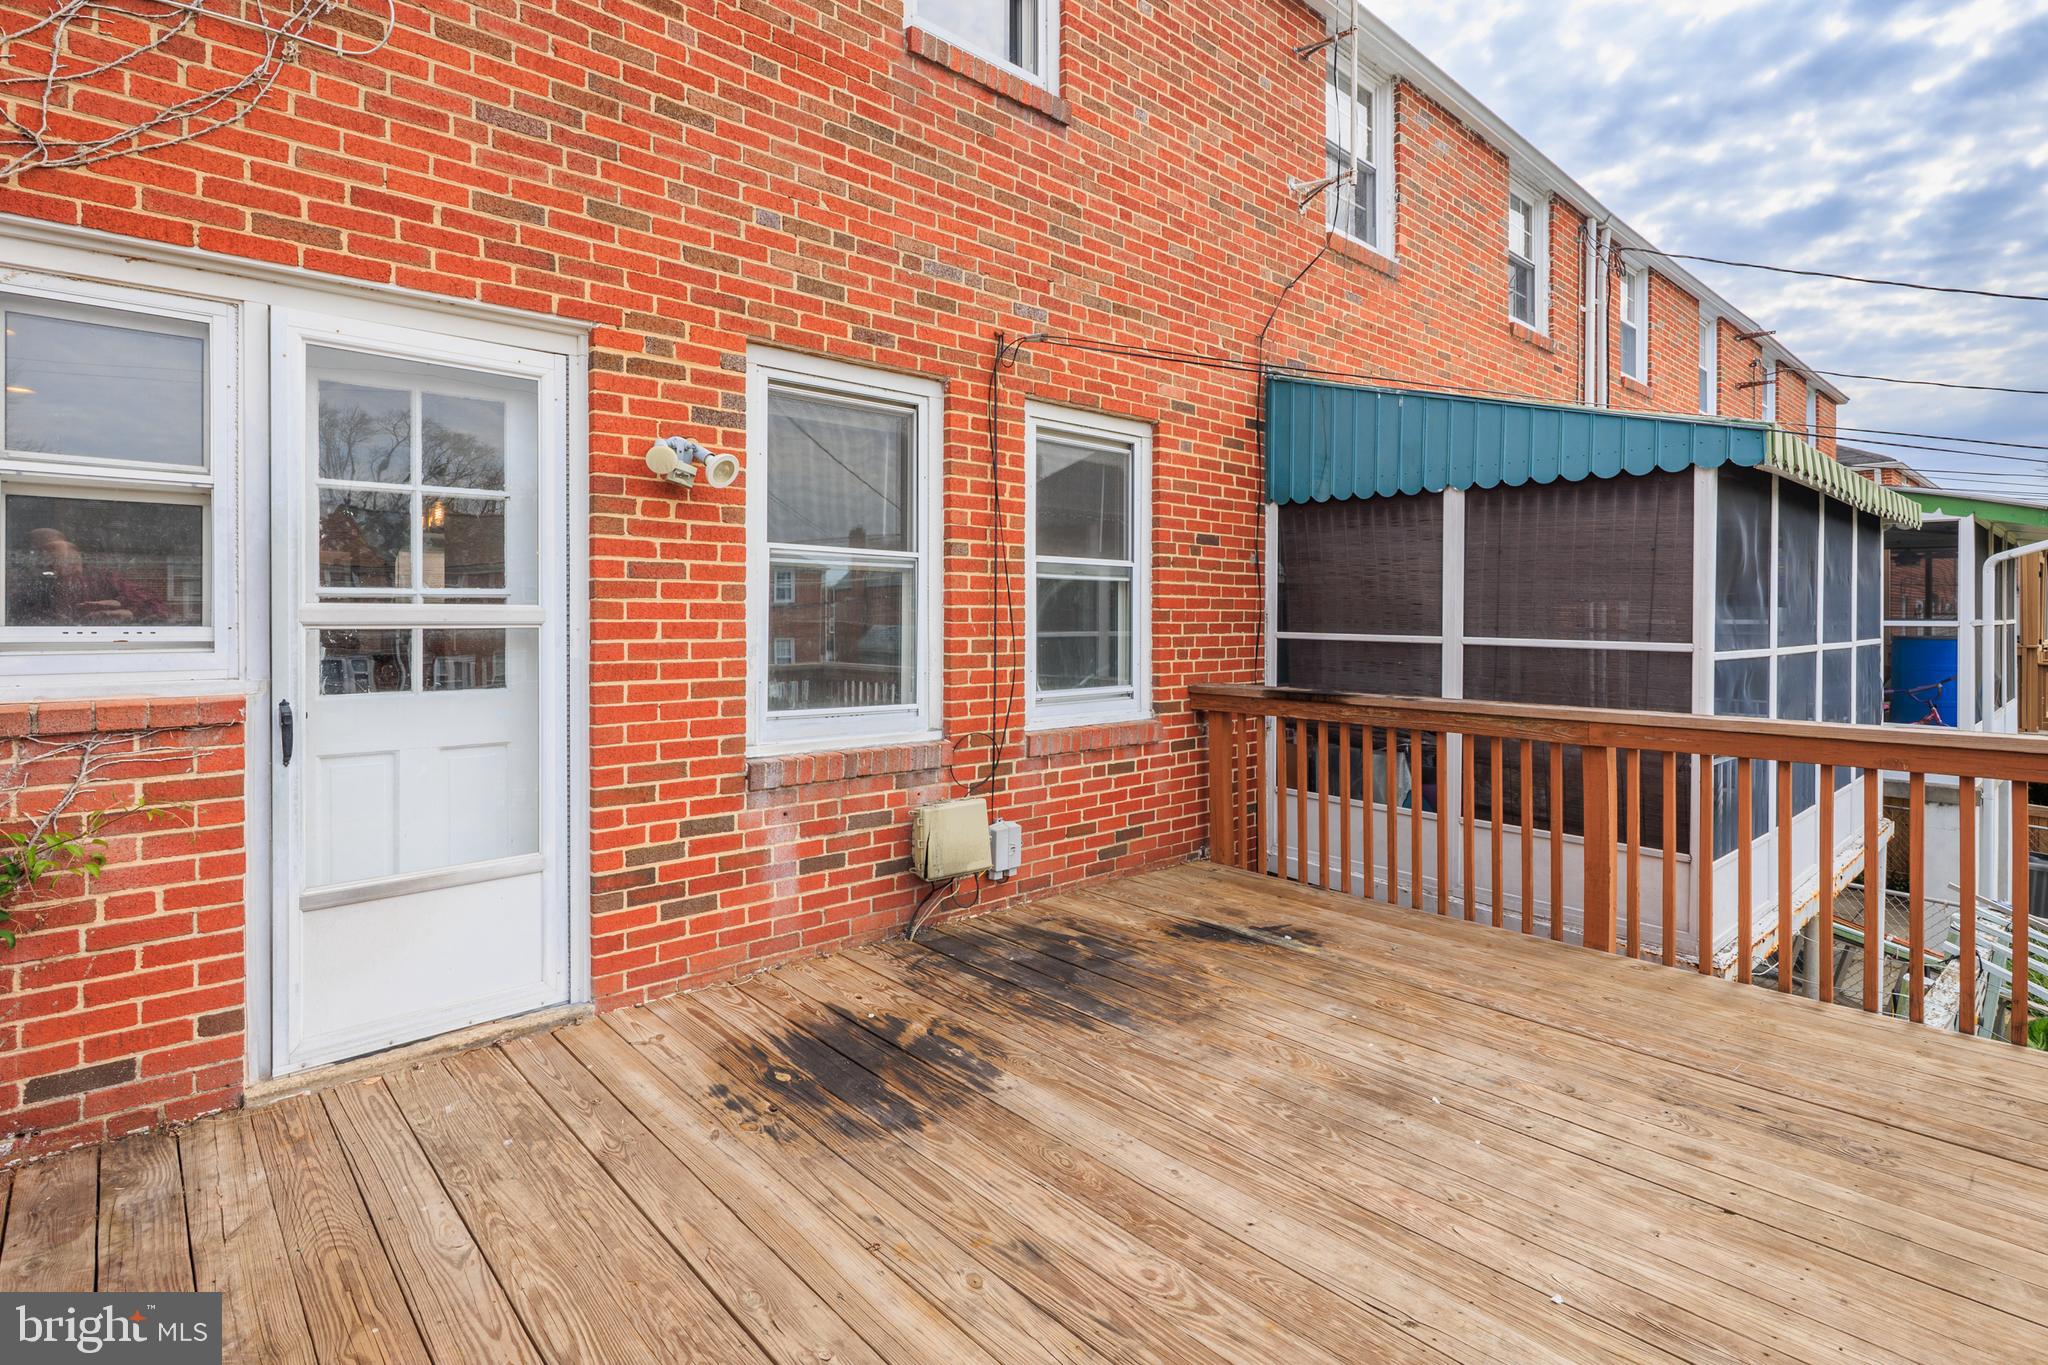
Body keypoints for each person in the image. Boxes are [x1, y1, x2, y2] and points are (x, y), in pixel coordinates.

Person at [7, 526, 171, 625]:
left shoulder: (102, 579)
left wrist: (124, 609)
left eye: (71, 553)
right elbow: (18, 624)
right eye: (46, 552)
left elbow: (156, 606)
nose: (68, 559)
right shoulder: (28, 590)